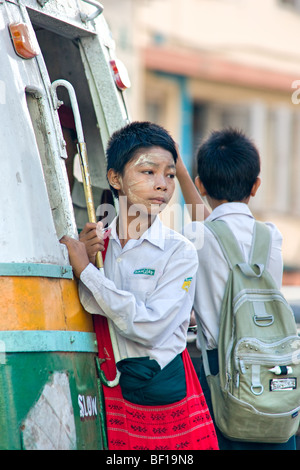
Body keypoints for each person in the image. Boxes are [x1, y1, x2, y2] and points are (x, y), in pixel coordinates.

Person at [60, 121, 218, 450]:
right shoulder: (96, 245)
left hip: (160, 400)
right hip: (106, 395)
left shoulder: (180, 252)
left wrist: (87, 273)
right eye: (148, 172)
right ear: (115, 178)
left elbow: (148, 327)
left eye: (170, 174)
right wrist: (85, 263)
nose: (162, 185)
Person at [176, 127, 296, 450]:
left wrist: (181, 171)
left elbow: (204, 225)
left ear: (201, 185)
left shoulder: (194, 238)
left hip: (224, 388)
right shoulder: (272, 237)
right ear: (256, 185)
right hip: (276, 386)